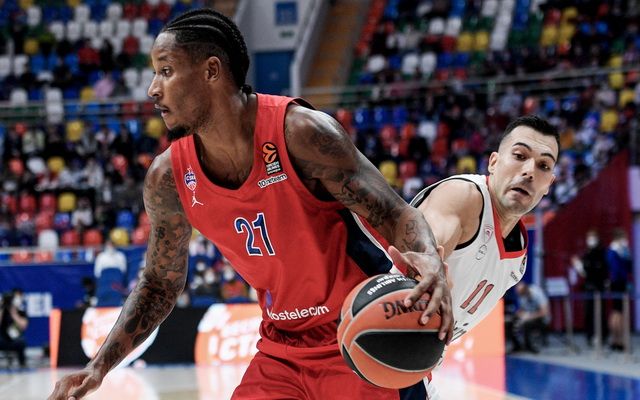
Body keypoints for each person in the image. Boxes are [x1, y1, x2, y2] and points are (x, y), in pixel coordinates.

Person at [49, 9, 451, 400]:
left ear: (211, 71)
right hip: (281, 350)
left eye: (166, 71)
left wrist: (429, 259)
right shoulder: (168, 177)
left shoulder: (300, 133)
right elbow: (159, 284)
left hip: (361, 335)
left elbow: (395, 213)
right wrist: (98, 367)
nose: (153, 89)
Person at [409, 115, 559, 397]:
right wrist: (429, 264)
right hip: (368, 350)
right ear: (493, 162)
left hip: (416, 368)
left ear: (548, 184)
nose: (529, 171)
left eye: (543, 166)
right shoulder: (464, 197)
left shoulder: (518, 261)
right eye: (519, 156)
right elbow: (425, 256)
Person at [571, 229, 608, 345]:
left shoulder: (601, 252)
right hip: (589, 287)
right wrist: (578, 265)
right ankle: (590, 336)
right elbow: (584, 272)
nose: (590, 240)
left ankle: (601, 335)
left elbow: (596, 270)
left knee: (599, 312)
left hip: (598, 287)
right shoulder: (587, 252)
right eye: (589, 237)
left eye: (592, 237)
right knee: (589, 313)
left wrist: (581, 266)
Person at [606, 228, 632, 351]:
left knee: (619, 312)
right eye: (623, 238)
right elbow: (616, 270)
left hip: (621, 282)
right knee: (617, 312)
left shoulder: (622, 251)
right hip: (617, 283)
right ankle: (617, 339)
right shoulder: (613, 251)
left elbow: (628, 267)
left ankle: (618, 340)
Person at [506, 282, 551, 353]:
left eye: (520, 293)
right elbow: (522, 309)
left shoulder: (537, 293)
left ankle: (529, 347)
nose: (520, 296)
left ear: (525, 290)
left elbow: (544, 312)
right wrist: (515, 315)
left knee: (527, 323)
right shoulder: (522, 296)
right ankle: (517, 346)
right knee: (511, 322)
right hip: (528, 316)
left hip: (541, 318)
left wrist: (530, 316)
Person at [0, 289, 28, 368]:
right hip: (2, 338)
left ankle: (22, 364)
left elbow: (24, 325)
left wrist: (13, 313)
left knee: (21, 342)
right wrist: (2, 308)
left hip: (15, 339)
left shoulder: (21, 311)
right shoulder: (2, 310)